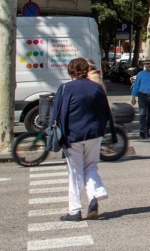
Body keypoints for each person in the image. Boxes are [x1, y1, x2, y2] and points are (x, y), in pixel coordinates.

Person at [51, 57, 111, 222]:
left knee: (75, 172)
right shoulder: (96, 88)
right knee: (91, 165)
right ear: (86, 70)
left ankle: (75, 211)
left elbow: (56, 113)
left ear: (70, 71)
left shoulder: (65, 88)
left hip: (72, 135)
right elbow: (105, 111)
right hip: (94, 134)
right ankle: (95, 194)